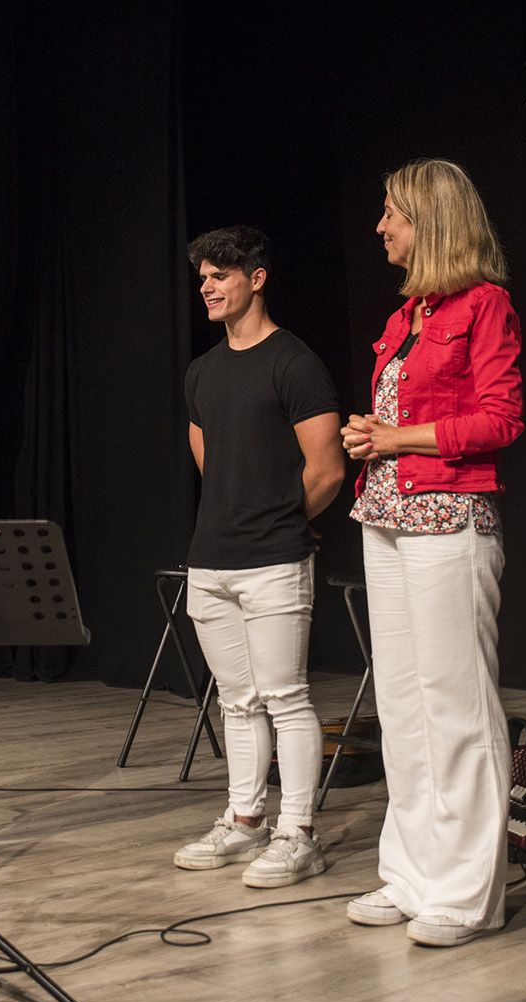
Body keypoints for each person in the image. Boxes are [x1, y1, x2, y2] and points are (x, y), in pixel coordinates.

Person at [340, 159, 523, 947]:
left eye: (393, 213)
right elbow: (397, 423)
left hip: (450, 515)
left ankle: (469, 893)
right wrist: (369, 438)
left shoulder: (485, 304)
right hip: (385, 513)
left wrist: (398, 437)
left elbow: (500, 420)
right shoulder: (405, 315)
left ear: (431, 220)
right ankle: (411, 874)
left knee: (457, 704)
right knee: (403, 705)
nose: (381, 226)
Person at [172, 226, 345, 888]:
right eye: (203, 278)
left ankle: (297, 832)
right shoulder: (202, 371)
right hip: (211, 559)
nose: (208, 288)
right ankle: (244, 819)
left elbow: (326, 469)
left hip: (273, 560)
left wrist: (280, 523)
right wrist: (236, 516)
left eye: (220, 275)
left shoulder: (294, 363)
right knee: (236, 700)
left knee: (285, 696)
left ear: (256, 278)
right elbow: (210, 461)